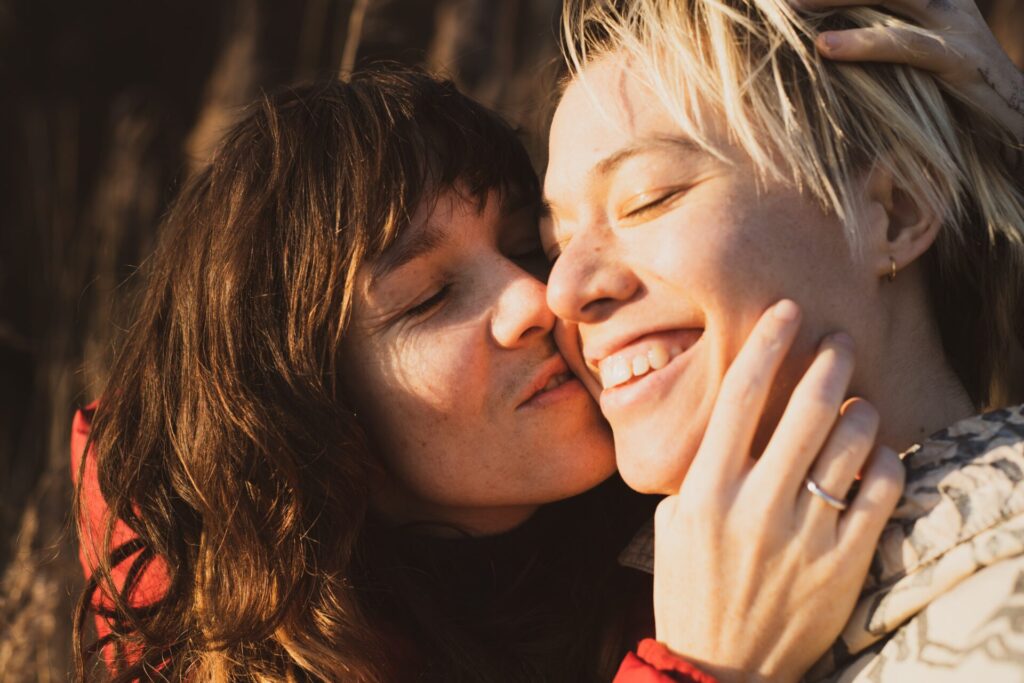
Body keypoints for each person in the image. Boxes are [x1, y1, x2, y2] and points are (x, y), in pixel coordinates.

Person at [71, 68, 896, 683]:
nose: (542, 297)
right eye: (430, 296)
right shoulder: (239, 657)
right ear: (309, 406)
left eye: (527, 244)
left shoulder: (647, 518)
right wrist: (703, 665)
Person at [544, 0, 1024, 680]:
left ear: (899, 211)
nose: (563, 289)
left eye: (648, 198)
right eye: (552, 244)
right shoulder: (586, 607)